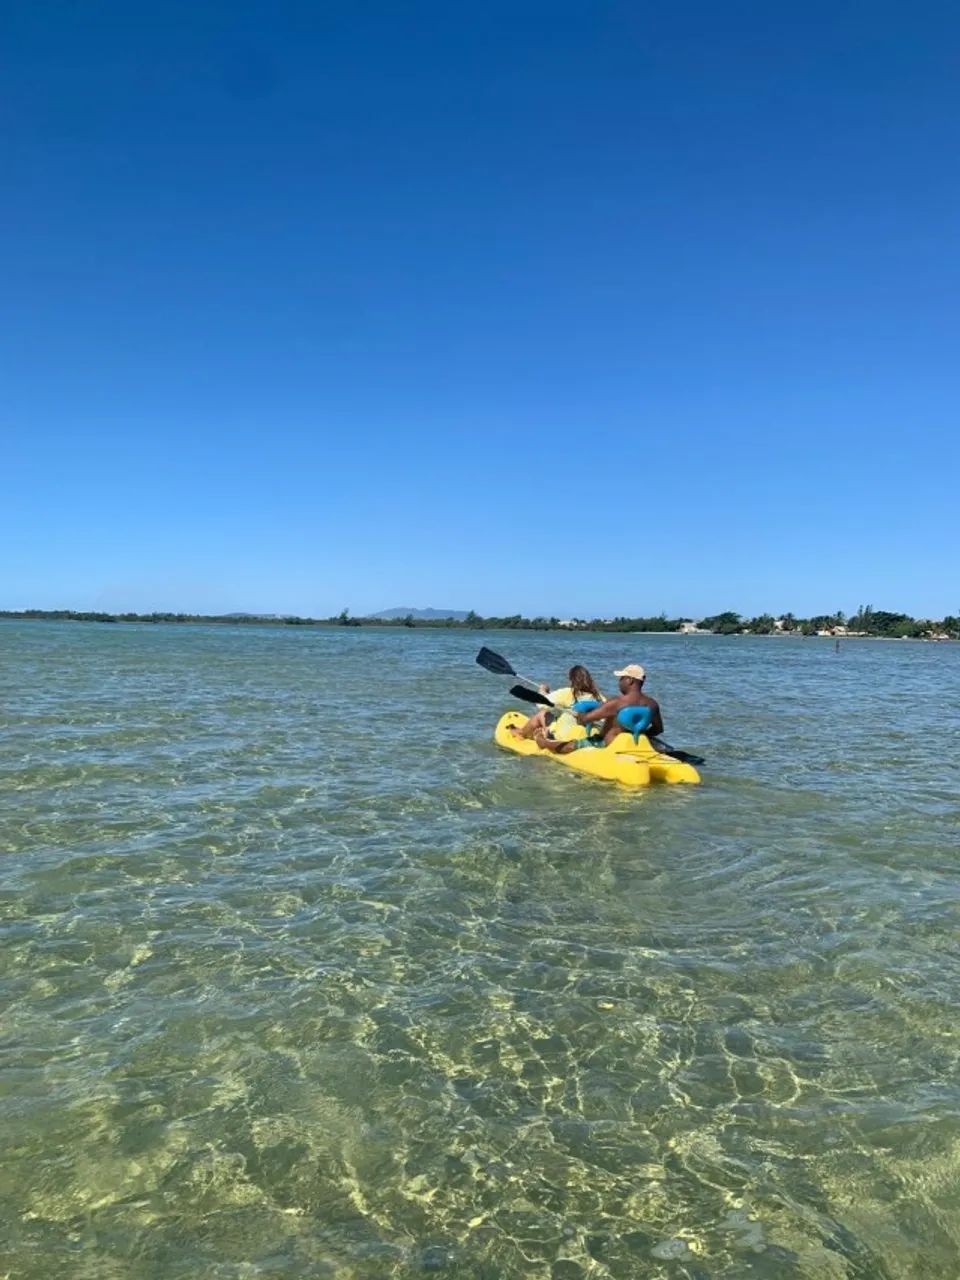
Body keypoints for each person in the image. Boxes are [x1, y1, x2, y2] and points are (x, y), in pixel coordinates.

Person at [535, 663, 663, 753]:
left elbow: (586, 719)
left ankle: (543, 742)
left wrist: (580, 713)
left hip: (604, 744)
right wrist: (639, 734)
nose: (619, 682)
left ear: (629, 680)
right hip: (630, 744)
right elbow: (658, 729)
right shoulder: (652, 704)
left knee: (571, 745)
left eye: (621, 678)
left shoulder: (617, 702)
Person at [508, 665, 604, 740]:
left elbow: (541, 704)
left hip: (565, 734)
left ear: (571, 680)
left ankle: (522, 733)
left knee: (542, 714)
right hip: (588, 732)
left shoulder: (568, 692)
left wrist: (542, 691)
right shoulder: (598, 696)